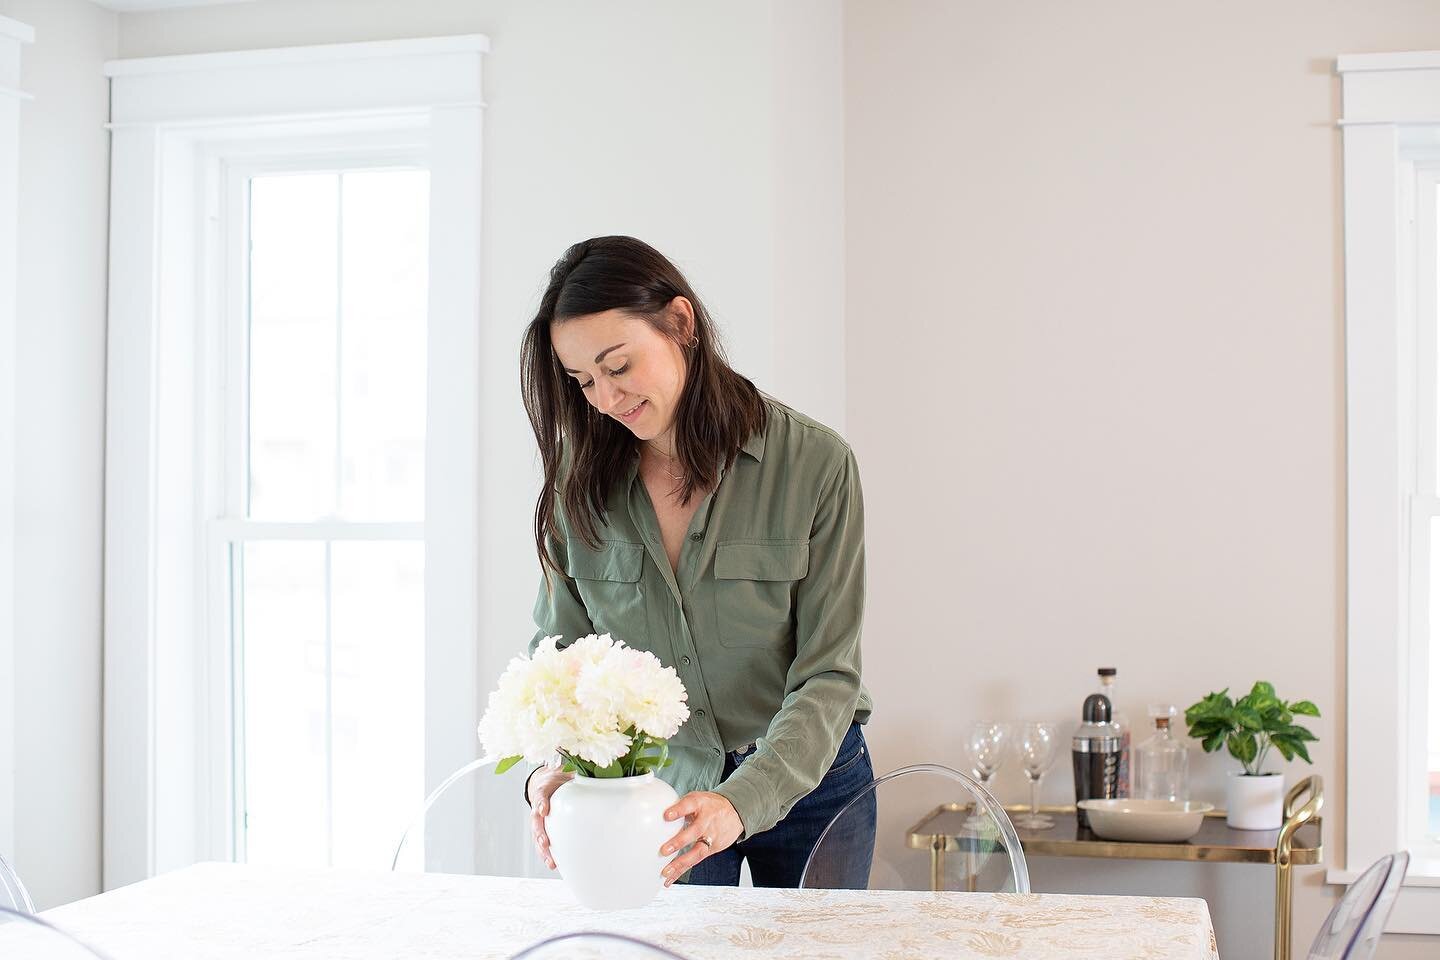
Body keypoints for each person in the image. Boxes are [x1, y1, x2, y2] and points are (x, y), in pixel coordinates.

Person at [518, 235, 874, 888]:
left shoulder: (817, 466)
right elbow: (561, 659)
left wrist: (743, 802)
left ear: (680, 325)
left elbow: (829, 675)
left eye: (618, 365)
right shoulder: (578, 482)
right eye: (583, 380)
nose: (603, 398)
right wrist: (552, 770)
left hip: (815, 783)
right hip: (662, 794)